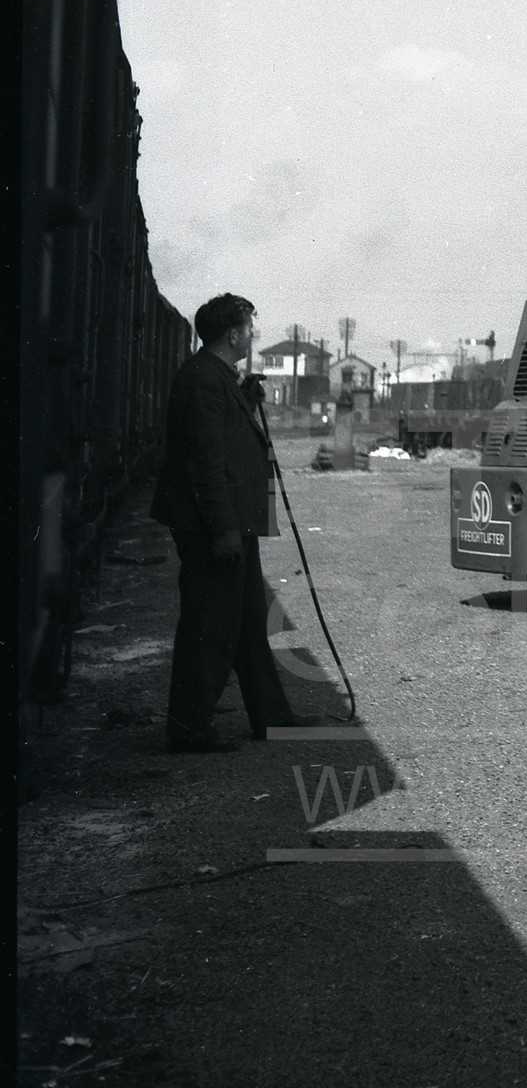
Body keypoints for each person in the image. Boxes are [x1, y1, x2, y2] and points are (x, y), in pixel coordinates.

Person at [151, 292, 298, 752]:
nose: (254, 335)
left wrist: (246, 402)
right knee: (209, 625)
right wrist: (224, 531)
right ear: (233, 333)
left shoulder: (216, 378)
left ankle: (274, 719)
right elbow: (207, 464)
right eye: (250, 327)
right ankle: (190, 729)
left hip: (229, 523)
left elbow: (225, 442)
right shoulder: (203, 382)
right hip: (214, 526)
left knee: (250, 622)